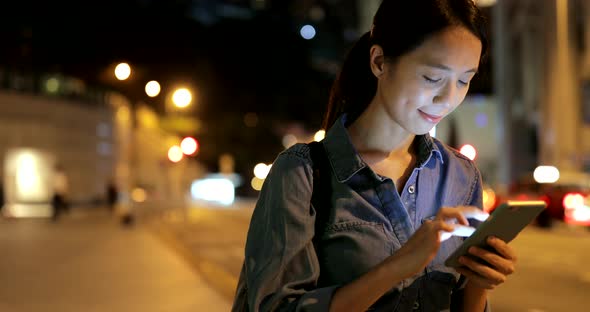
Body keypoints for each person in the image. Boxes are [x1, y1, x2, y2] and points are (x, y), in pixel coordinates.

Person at [233, 0, 518, 311]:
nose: (448, 99)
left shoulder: (460, 176)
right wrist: (397, 267)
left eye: (464, 80)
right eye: (433, 78)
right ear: (380, 61)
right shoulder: (303, 173)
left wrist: (479, 282)